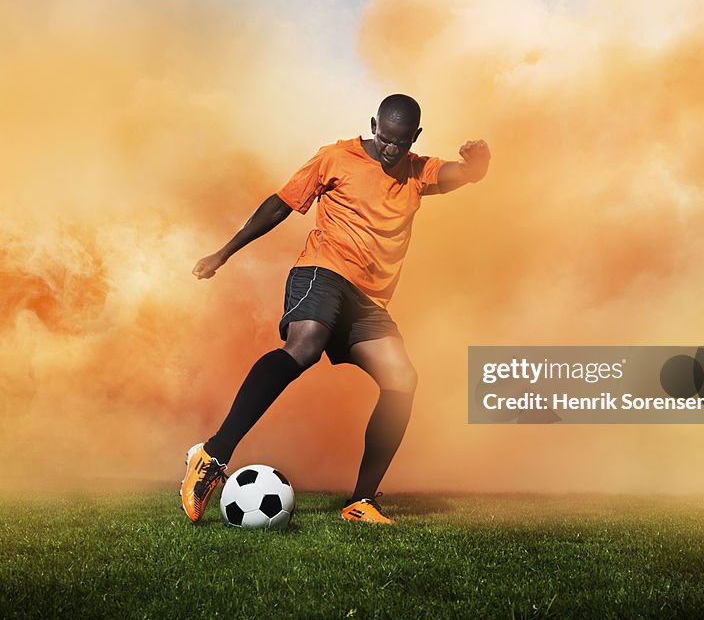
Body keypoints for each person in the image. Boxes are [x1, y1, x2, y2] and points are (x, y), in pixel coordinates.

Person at [181, 94, 490, 524]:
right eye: (384, 138)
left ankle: (361, 502)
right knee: (305, 346)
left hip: (369, 301)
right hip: (322, 273)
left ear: (414, 138)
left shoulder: (419, 172)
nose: (390, 149)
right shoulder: (335, 158)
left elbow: (465, 174)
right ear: (373, 125)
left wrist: (479, 163)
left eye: (401, 143)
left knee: (402, 379)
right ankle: (213, 454)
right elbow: (280, 204)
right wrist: (223, 254)